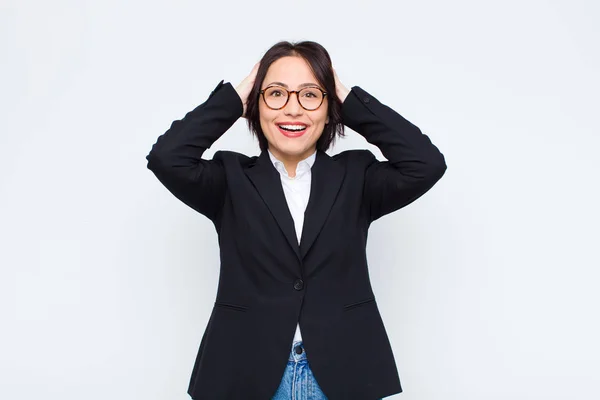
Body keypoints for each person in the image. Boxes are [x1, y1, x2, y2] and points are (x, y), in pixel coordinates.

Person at [146, 40, 447, 400]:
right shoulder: (229, 179)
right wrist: (235, 97)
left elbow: (426, 163)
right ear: (255, 106)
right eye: (275, 94)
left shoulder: (357, 177)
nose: (292, 109)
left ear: (328, 106)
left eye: (309, 95)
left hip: (344, 372)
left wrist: (346, 98)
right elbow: (166, 157)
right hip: (245, 371)